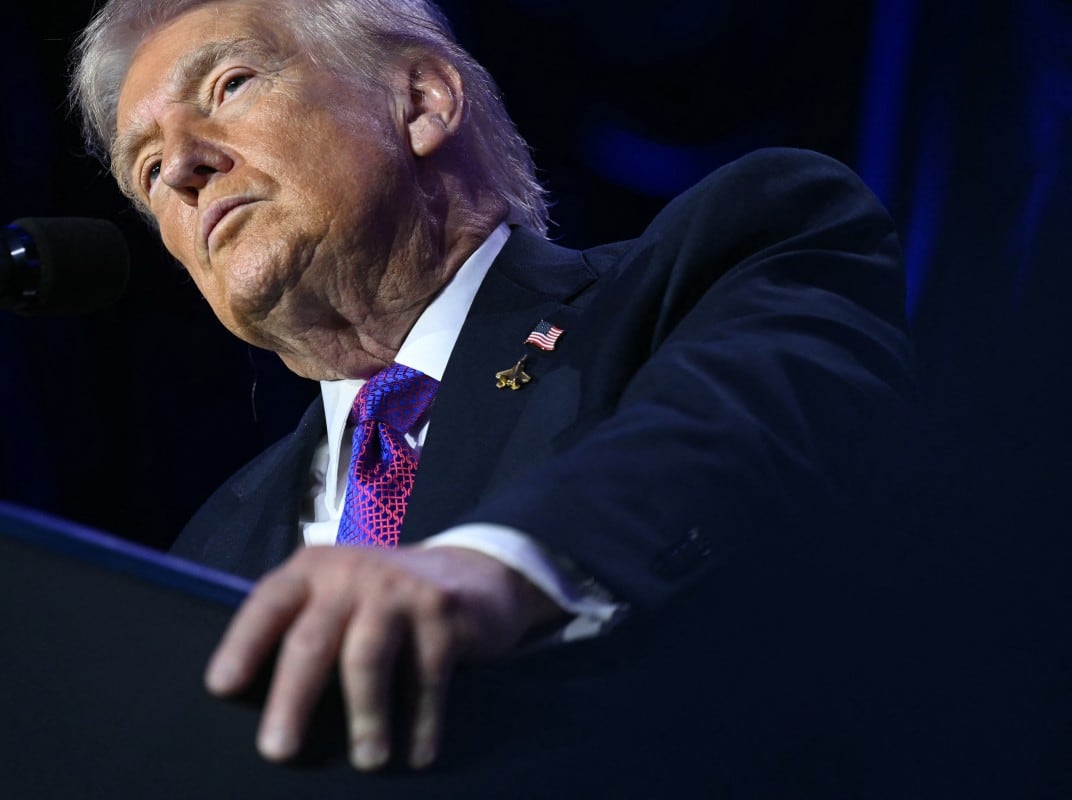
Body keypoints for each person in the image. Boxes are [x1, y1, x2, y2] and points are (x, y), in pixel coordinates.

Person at [70, 0, 915, 777]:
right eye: (145, 171)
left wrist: (488, 569)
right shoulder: (208, 549)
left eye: (229, 85)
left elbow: (739, 425)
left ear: (423, 100)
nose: (181, 166)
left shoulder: (713, 263)